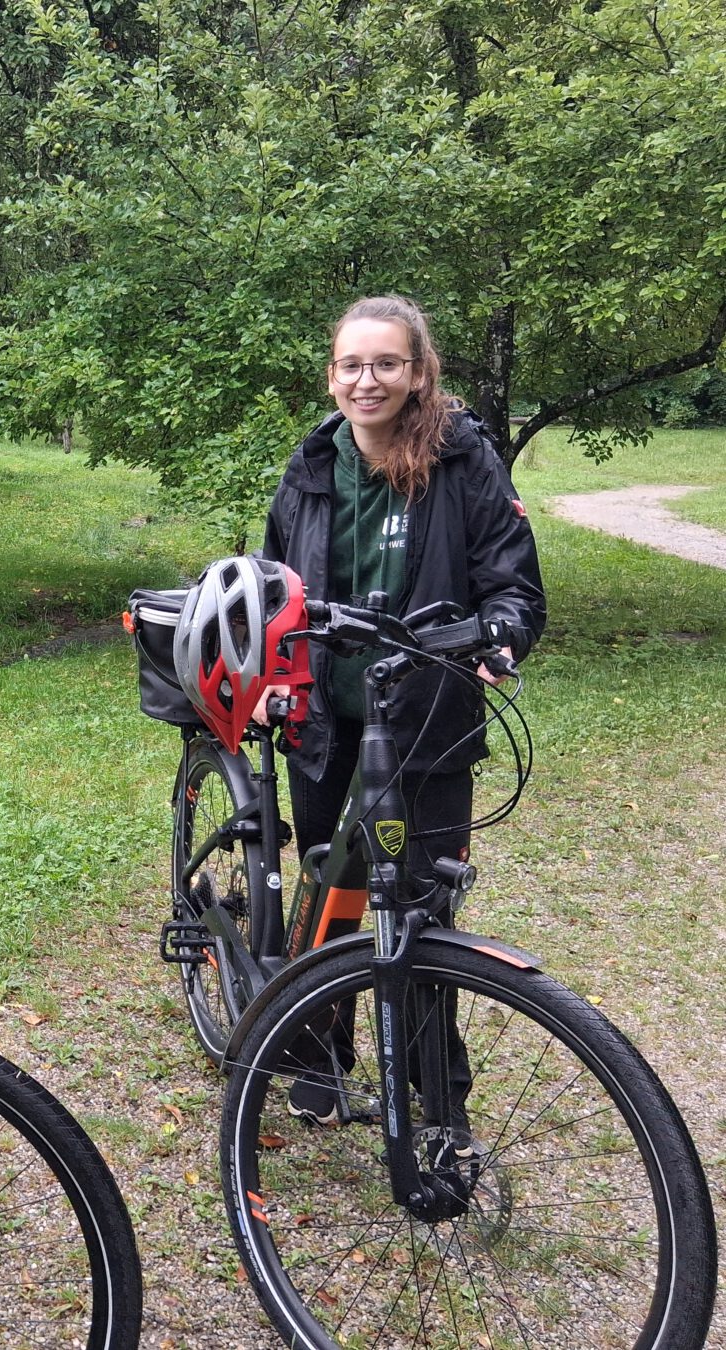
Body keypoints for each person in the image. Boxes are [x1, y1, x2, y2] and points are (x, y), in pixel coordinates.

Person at [258, 294, 547, 1127]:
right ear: (332, 374)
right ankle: (321, 1050)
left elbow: (513, 584)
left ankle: (435, 1089)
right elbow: (278, 583)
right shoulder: (312, 465)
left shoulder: (465, 461)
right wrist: (279, 666)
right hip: (323, 715)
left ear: (420, 371)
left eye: (386, 363)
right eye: (351, 365)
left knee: (421, 909)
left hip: (425, 719)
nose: (367, 380)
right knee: (331, 892)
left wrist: (498, 637)